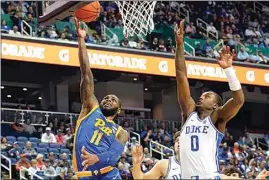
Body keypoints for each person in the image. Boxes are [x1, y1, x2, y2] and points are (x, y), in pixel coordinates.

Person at [174, 20, 245, 179]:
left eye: (207, 96)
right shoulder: (189, 112)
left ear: (215, 104)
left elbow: (239, 101)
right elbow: (181, 76)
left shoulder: (217, 117)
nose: (201, 96)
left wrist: (229, 71)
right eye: (201, 95)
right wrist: (180, 45)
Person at [72, 17, 129, 180]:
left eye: (113, 99)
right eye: (106, 97)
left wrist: (97, 158)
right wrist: (81, 40)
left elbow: (114, 155)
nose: (108, 99)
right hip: (84, 175)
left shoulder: (121, 132)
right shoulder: (91, 108)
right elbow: (86, 74)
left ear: (118, 109)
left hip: (108, 174)